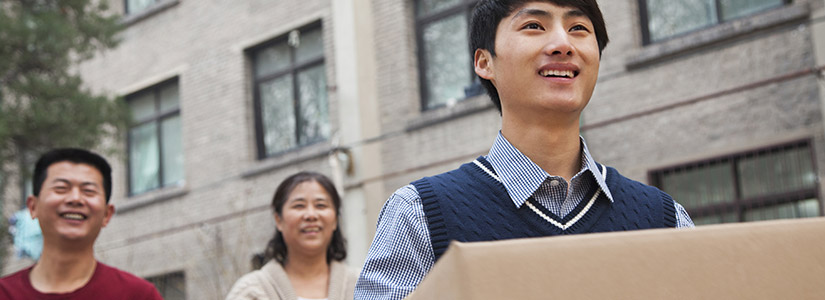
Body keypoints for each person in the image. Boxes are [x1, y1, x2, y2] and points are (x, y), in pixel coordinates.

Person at [354, 0, 695, 298]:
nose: (562, 43)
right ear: (484, 62)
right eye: (534, 25)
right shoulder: (420, 215)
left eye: (578, 28)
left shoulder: (665, 220)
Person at [0, 148, 162, 299]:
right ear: (33, 207)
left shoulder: (138, 295)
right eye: (61, 188)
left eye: (88, 191)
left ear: (107, 214)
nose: (75, 199)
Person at [226, 172, 358, 300]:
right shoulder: (251, 291)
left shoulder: (366, 285)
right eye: (299, 206)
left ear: (335, 220)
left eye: (321, 205)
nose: (311, 215)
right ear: (278, 220)